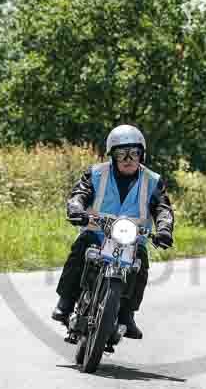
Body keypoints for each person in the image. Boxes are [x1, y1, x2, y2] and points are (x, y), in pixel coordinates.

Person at [51, 124, 175, 340]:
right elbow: (79, 194)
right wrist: (76, 209)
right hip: (96, 234)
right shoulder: (96, 174)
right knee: (80, 249)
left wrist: (164, 230)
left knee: (141, 263)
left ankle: (127, 315)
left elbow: (163, 208)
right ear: (112, 155)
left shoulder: (153, 181)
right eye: (121, 153)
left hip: (132, 240)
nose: (128, 158)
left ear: (141, 155)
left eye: (134, 153)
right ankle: (65, 303)